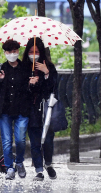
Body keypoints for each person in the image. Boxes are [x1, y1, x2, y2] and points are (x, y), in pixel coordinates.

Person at [0, 39, 39, 180]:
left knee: (21, 139)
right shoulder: (0, 67)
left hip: (22, 110)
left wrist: (32, 83)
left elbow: (32, 91)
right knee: (7, 141)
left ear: (18, 51)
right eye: (9, 51)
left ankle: (20, 162)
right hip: (5, 110)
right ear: (5, 53)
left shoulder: (26, 69)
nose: (12, 54)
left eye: (14, 51)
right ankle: (9, 168)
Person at [24, 38, 59, 181]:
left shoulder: (49, 67)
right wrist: (29, 83)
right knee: (34, 141)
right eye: (31, 52)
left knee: (48, 139)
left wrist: (46, 74)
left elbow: (52, 89)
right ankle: (39, 170)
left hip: (45, 110)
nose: (33, 54)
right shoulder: (24, 68)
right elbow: (21, 90)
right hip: (31, 110)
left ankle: (48, 164)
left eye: (36, 52)